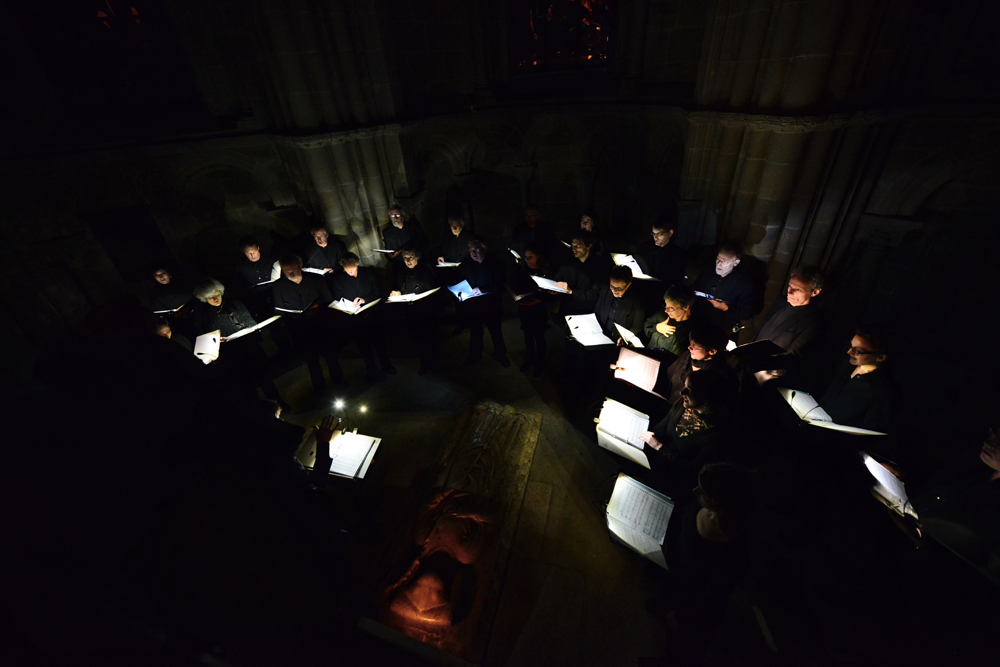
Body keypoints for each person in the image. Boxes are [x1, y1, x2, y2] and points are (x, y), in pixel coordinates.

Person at [653, 463, 752, 657]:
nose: (695, 491)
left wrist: (681, 617)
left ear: (719, 503)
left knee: (677, 646)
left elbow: (710, 598)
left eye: (702, 491)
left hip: (690, 600)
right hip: (677, 576)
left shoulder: (732, 556)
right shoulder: (701, 506)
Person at [639, 369, 740, 501]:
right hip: (655, 462)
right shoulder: (683, 404)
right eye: (685, 387)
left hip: (673, 482)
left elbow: (691, 471)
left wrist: (659, 447)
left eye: (689, 390)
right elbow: (660, 429)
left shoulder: (717, 435)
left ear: (706, 397)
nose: (682, 393)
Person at [191, 279, 283, 404]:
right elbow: (202, 335)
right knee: (245, 383)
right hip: (229, 352)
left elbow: (249, 321)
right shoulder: (202, 314)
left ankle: (277, 403)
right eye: (211, 297)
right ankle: (256, 410)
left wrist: (253, 330)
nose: (216, 299)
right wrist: (216, 340)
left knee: (264, 377)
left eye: (217, 294)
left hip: (249, 345)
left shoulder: (234, 303)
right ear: (204, 298)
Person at [272, 254, 345, 393]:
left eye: (294, 270)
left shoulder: (315, 279)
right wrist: (289, 315)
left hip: (320, 325)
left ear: (300, 267)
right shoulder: (279, 286)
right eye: (287, 272)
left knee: (330, 355)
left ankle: (339, 381)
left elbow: (328, 299)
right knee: (311, 360)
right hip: (299, 328)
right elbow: (279, 309)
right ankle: (319, 387)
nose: (291, 274)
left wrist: (317, 307)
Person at [749, 265, 824, 383]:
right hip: (751, 364)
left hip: (768, 375)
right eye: (789, 286)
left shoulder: (812, 321)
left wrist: (762, 367)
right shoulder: (781, 301)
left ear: (815, 292)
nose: (790, 292)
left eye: (798, 289)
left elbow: (792, 356)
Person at [331, 253, 396, 380]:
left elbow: (378, 292)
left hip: (373, 315)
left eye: (352, 269)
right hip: (356, 319)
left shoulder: (369, 274)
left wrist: (364, 299)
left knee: (380, 344)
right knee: (364, 348)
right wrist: (349, 305)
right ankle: (371, 371)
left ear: (357, 264)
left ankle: (387, 365)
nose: (349, 272)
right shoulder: (339, 280)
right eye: (346, 269)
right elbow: (339, 298)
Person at [819, 328, 895, 432]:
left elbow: (871, 428)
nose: (849, 352)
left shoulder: (882, 390)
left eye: (858, 351)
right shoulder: (847, 365)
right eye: (851, 346)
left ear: (880, 357)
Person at [691, 244, 764, 337]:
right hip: (697, 321)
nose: (719, 264)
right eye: (718, 259)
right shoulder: (708, 272)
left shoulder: (745, 284)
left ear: (736, 263)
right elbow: (693, 288)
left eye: (724, 261)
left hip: (720, 330)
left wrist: (725, 308)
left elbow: (747, 313)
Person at [457, 236, 509, 367]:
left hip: (491, 305)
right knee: (475, 332)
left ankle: (501, 355)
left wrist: (483, 289)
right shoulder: (466, 263)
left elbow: (501, 285)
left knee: (495, 331)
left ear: (485, 249)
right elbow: (460, 280)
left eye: (476, 250)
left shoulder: (496, 263)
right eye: (471, 250)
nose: (473, 254)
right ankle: (475, 355)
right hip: (473, 305)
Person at [389, 244, 441, 375]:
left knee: (431, 340)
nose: (408, 261)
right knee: (418, 341)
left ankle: (436, 365)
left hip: (426, 312)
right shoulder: (401, 271)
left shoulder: (425, 271)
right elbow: (399, 287)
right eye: (405, 258)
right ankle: (424, 364)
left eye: (410, 257)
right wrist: (396, 292)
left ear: (417, 257)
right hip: (411, 313)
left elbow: (432, 291)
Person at [666, 322, 737, 406]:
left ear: (712, 351)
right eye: (691, 343)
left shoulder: (721, 375)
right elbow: (670, 375)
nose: (689, 347)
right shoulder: (687, 356)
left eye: (695, 346)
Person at [510, 245, 552, 376]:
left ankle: (539, 363)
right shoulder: (522, 270)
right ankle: (529, 359)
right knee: (527, 336)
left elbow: (549, 292)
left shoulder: (545, 270)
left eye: (530, 257)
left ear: (537, 256)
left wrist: (540, 300)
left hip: (539, 309)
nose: (527, 260)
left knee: (539, 337)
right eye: (525, 257)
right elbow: (517, 286)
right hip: (525, 308)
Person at [550, 230, 612, 314]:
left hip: (586, 309)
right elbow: (560, 275)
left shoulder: (600, 265)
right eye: (573, 246)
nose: (574, 249)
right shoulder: (569, 260)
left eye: (578, 246)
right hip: (567, 306)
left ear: (589, 246)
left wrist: (571, 291)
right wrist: (554, 286)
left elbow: (595, 294)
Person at [643, 285, 702, 359]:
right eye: (666, 305)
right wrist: (656, 327)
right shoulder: (662, 314)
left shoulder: (690, 331)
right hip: (646, 354)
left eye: (671, 308)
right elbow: (646, 326)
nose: (666, 310)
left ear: (685, 307)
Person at [594, 266, 645, 344]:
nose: (614, 291)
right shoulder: (605, 291)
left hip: (619, 341)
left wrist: (624, 339)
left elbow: (636, 327)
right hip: (601, 336)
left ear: (628, 285)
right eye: (612, 286)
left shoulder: (636, 301)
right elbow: (597, 313)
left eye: (619, 288)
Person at [634, 217, 686, 287]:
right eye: (653, 234)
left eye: (659, 234)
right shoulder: (645, 248)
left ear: (670, 233)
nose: (655, 238)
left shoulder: (679, 255)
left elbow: (676, 280)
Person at [234, 236, 278, 318]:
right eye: (248, 253)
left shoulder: (270, 259)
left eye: (254, 252)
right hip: (256, 299)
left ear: (258, 248)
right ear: (243, 252)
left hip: (275, 295)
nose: (252, 255)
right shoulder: (240, 265)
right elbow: (238, 283)